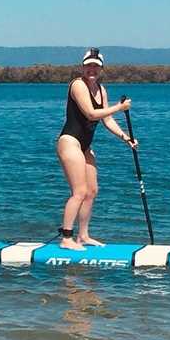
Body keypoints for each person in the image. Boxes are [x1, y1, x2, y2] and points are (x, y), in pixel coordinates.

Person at [56, 48, 138, 250]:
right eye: (88, 65)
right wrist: (119, 107)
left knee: (92, 191)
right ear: (82, 66)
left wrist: (125, 137)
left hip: (85, 146)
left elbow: (106, 119)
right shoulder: (77, 85)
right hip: (70, 142)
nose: (92, 69)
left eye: (96, 66)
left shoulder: (101, 90)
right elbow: (92, 114)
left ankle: (83, 236)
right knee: (79, 191)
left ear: (101, 68)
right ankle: (66, 238)